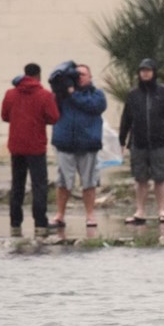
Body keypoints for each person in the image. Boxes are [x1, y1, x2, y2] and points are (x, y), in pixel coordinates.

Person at [1, 63, 60, 237]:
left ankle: (15, 223)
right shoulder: (44, 95)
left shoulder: (10, 94)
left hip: (16, 146)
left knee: (17, 185)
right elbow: (54, 117)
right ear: (38, 76)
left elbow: (4, 116)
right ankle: (40, 223)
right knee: (39, 185)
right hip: (36, 146)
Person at [119, 58, 164, 224]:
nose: (145, 73)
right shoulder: (133, 95)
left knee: (160, 178)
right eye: (142, 70)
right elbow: (126, 118)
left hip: (159, 142)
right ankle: (140, 211)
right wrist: (122, 140)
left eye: (148, 70)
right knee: (140, 179)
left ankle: (162, 210)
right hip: (138, 143)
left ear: (154, 72)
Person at [49, 63, 107, 229]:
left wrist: (73, 93)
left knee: (89, 182)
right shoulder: (62, 94)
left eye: (83, 74)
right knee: (63, 182)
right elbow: (52, 106)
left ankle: (90, 215)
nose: (79, 76)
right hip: (65, 143)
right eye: (76, 74)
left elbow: (94, 107)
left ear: (90, 77)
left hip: (88, 144)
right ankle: (60, 215)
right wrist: (61, 85)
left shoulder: (97, 95)